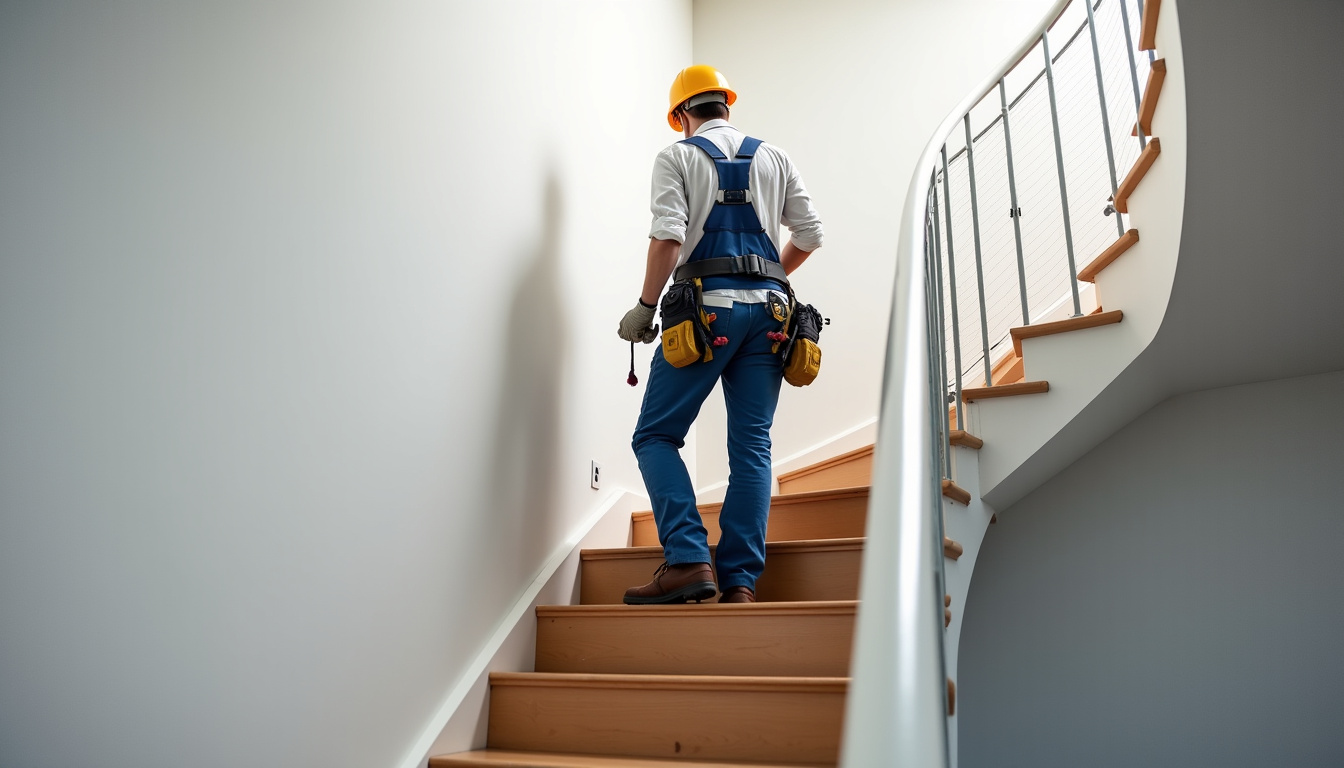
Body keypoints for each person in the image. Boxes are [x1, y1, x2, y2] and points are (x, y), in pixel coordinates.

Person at [616, 65, 824, 605]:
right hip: (773, 316)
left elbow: (668, 236)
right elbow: (811, 234)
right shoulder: (774, 156)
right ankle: (739, 584)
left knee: (655, 437)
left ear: (683, 114)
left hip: (706, 312)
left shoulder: (677, 155)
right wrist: (765, 274)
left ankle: (687, 559)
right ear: (725, 105)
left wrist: (643, 306)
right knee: (752, 447)